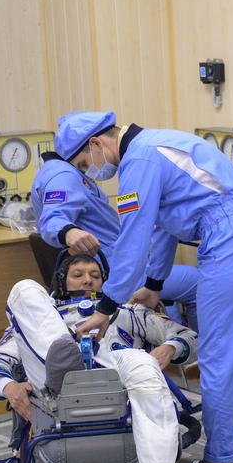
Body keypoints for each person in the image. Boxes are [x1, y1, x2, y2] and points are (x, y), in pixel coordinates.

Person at [71, 118, 233, 463]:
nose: (92, 172)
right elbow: (162, 225)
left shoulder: (137, 163)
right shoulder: (161, 140)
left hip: (229, 240)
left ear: (96, 143)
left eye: (84, 163)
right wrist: (154, 286)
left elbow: (134, 238)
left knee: (219, 351)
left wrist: (106, 306)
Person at [0, 253, 196, 463]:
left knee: (143, 362)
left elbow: (188, 335)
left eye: (94, 275)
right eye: (77, 274)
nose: (87, 280)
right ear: (61, 280)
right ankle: (67, 367)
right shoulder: (40, 318)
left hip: (118, 384)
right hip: (56, 395)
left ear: (106, 283)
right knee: (24, 288)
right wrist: (8, 386)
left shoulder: (128, 312)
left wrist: (170, 347)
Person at [32, 111, 200, 326]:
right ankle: (197, 350)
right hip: (113, 269)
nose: (88, 170)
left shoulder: (61, 172)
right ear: (94, 144)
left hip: (113, 263)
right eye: (83, 165)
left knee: (161, 293)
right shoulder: (62, 175)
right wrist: (68, 232)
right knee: (198, 284)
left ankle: (174, 347)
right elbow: (53, 218)